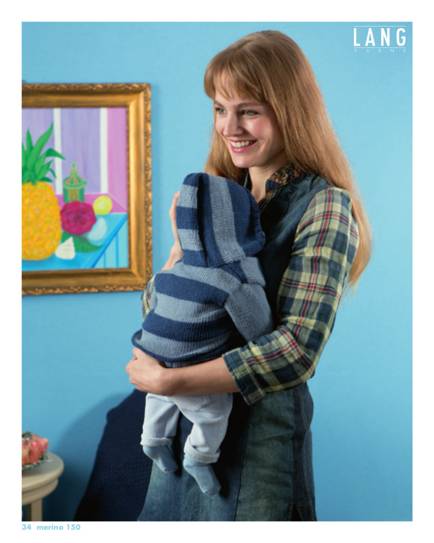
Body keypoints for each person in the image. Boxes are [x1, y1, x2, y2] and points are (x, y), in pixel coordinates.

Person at [76, 29, 371, 522]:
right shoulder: (218, 199)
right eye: (219, 109)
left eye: (248, 110)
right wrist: (178, 249)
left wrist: (172, 380)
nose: (229, 127)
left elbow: (296, 351)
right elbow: (164, 308)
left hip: (259, 449)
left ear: (290, 111)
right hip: (182, 438)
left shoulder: (324, 206)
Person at [132, 171, 273, 496]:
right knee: (213, 412)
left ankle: (152, 440)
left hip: (152, 356)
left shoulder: (175, 269)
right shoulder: (233, 279)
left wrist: (177, 249)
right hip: (190, 365)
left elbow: (153, 305)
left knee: (159, 397)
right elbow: (259, 329)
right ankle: (199, 455)